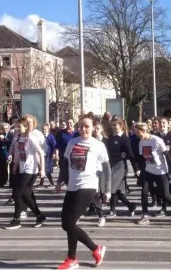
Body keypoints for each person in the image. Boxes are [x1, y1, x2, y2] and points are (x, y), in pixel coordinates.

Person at [56, 116, 110, 270]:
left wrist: (107, 189)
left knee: (70, 222)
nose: (84, 129)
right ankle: (95, 249)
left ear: (93, 127)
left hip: (88, 185)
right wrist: (60, 180)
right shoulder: (73, 142)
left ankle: (72, 258)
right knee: (66, 224)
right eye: (81, 126)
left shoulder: (98, 145)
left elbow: (106, 169)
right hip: (72, 185)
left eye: (87, 126)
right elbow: (65, 164)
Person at [5, 119, 47, 229]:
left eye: (20, 127)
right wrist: (15, 166)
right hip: (22, 168)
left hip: (31, 169)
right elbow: (18, 153)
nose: (17, 129)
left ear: (26, 127)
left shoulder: (31, 138)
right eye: (16, 127)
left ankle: (16, 220)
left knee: (17, 193)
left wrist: (42, 169)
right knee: (25, 194)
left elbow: (41, 153)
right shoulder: (18, 137)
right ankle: (39, 215)